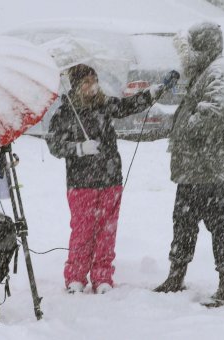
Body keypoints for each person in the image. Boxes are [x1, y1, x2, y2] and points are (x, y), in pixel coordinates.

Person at [46, 64, 164, 294]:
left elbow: (127, 106)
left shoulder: (104, 104)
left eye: (94, 80)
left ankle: (102, 277)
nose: (92, 86)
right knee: (83, 232)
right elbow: (54, 144)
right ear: (76, 85)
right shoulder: (65, 112)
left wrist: (150, 94)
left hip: (110, 179)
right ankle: (76, 276)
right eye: (86, 82)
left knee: (106, 233)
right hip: (81, 183)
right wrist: (79, 148)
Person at [153, 22, 224, 308]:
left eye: (188, 50)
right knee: (183, 221)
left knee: (221, 225)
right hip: (194, 166)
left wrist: (185, 127)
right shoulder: (205, 71)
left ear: (202, 48)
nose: (184, 58)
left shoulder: (219, 72)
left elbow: (216, 112)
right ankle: (176, 275)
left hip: (212, 167)